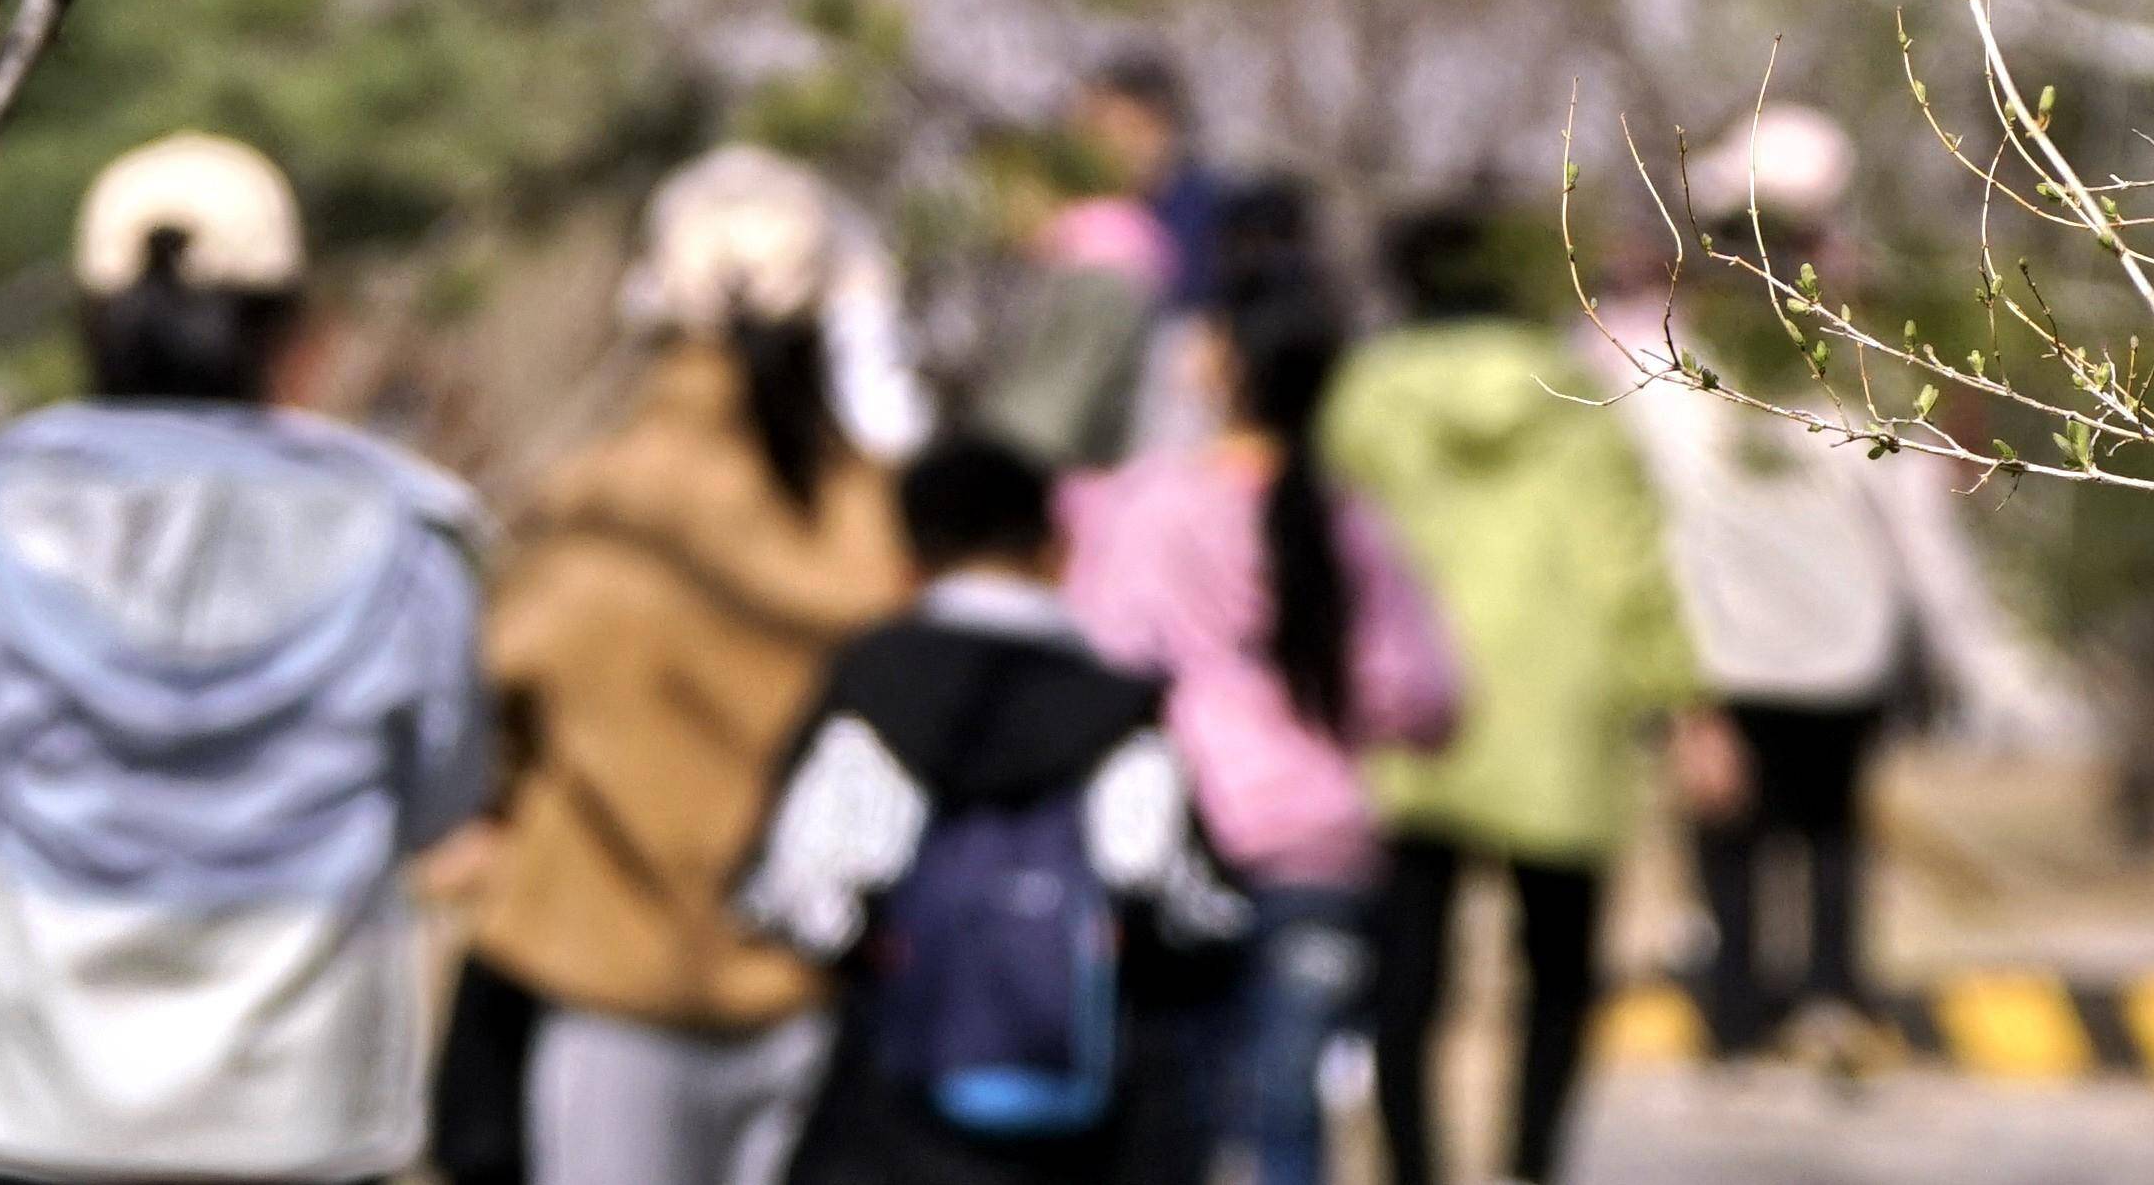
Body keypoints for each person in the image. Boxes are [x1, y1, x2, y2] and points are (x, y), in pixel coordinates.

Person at [0, 133, 496, 1185]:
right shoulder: (403, 543)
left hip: (32, 1085)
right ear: (290, 328)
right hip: (295, 1093)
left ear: (92, 319)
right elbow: (441, 802)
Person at [471, 150, 919, 1185]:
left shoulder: (598, 500)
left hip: (610, 971)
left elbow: (502, 693)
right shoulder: (869, 510)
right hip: (819, 979)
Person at [1593, 185, 2033, 1063]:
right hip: (1840, 657)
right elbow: (1924, 536)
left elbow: (1647, 535)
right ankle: (1828, 995)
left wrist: (1665, 679)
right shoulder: (1861, 382)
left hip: (1726, 658)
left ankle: (1736, 1008)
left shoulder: (1663, 384)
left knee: (1730, 837)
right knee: (1829, 834)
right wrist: (1981, 659)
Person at [1322, 205, 1712, 1185]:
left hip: (1408, 723)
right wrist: (1682, 699)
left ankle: (1411, 1162)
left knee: (1406, 976)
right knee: (1558, 973)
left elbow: (1327, 555)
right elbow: (1629, 559)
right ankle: (1530, 1160)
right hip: (1561, 720)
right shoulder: (1574, 394)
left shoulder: (1361, 396)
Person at [733, 432, 1226, 1185]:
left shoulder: (872, 688)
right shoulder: (1121, 709)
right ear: (1053, 549)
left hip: (891, 1118)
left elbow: (797, 895)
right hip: (1093, 1134)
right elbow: (1188, 908)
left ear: (909, 561)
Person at [1073, 286, 1461, 1185]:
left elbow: (1104, 657)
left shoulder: (1152, 505)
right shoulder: (1348, 518)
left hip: (1179, 838)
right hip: (1322, 846)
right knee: (1288, 1111)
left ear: (1222, 366)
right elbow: (1423, 692)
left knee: (1178, 1105)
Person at [972, 56, 1209, 474]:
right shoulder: (1082, 236)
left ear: (1158, 128)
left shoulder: (1186, 225)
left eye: (1114, 128)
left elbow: (1041, 425)